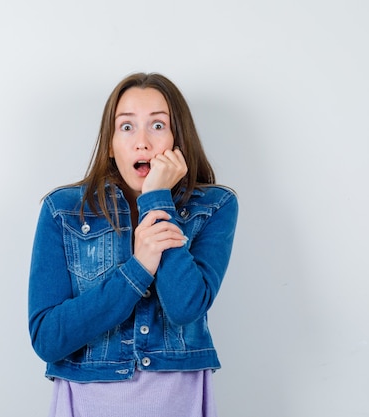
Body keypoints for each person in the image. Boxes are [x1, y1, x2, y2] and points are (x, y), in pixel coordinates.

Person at [28, 72, 238, 417]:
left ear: (178, 139)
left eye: (158, 125)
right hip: (87, 399)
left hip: (177, 396)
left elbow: (185, 307)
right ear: (110, 144)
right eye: (127, 127)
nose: (142, 142)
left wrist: (157, 199)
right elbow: (48, 339)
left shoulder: (214, 206)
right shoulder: (62, 210)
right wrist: (138, 269)